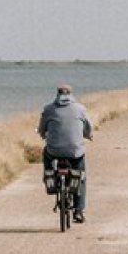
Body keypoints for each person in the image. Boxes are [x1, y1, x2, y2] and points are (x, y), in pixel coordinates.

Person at [38, 84, 94, 222]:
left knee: (46, 153)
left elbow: (42, 128)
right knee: (81, 176)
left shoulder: (49, 109)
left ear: (57, 93)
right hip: (75, 151)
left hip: (54, 151)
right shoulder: (80, 109)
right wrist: (88, 135)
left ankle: (49, 174)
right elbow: (88, 127)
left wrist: (42, 135)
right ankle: (79, 211)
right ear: (71, 94)